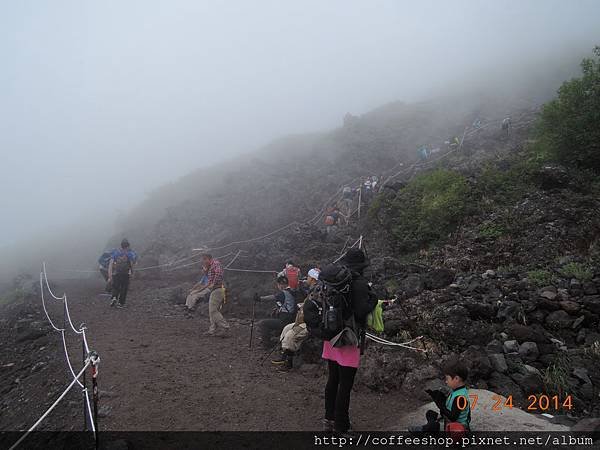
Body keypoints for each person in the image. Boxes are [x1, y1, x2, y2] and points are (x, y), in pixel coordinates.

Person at [305, 249, 377, 434]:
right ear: (361, 266)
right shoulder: (359, 283)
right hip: (349, 338)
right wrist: (374, 300)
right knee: (345, 385)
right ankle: (342, 426)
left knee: (333, 379)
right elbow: (361, 311)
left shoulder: (334, 281)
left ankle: (329, 420)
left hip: (331, 335)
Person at [271, 268, 320, 371]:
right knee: (286, 329)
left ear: (312, 279)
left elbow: (315, 307)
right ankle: (284, 356)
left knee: (290, 335)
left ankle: (288, 364)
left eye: (308, 277)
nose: (306, 279)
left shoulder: (317, 291)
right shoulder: (312, 290)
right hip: (303, 320)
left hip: (309, 323)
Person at [425, 358, 472, 433]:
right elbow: (450, 405)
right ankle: (432, 426)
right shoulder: (457, 391)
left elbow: (453, 417)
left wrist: (441, 405)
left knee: (433, 425)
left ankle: (428, 429)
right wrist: (438, 396)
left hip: (458, 427)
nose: (446, 381)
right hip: (450, 421)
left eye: (447, 379)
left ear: (456, 378)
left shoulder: (460, 398)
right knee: (430, 413)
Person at [257, 275, 296, 349]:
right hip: (290, 318)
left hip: (285, 320)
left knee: (263, 323)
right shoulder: (291, 292)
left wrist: (259, 299)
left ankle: (267, 344)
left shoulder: (283, 293)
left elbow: (272, 297)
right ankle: (273, 338)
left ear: (280, 285)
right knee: (272, 316)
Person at [201, 253, 229, 336]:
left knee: (213, 310)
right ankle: (212, 329)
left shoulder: (215, 264)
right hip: (214, 289)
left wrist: (213, 283)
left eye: (204, 259)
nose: (203, 261)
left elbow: (218, 273)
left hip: (218, 289)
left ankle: (225, 327)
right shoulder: (210, 267)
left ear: (208, 259)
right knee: (212, 310)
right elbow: (210, 278)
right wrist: (206, 272)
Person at [108, 239, 137, 308]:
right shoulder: (129, 254)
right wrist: (133, 273)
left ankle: (114, 297)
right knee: (124, 288)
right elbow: (131, 264)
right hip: (125, 274)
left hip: (117, 273)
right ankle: (121, 303)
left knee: (116, 286)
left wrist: (110, 274)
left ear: (121, 246)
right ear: (128, 246)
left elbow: (111, 264)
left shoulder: (116, 253)